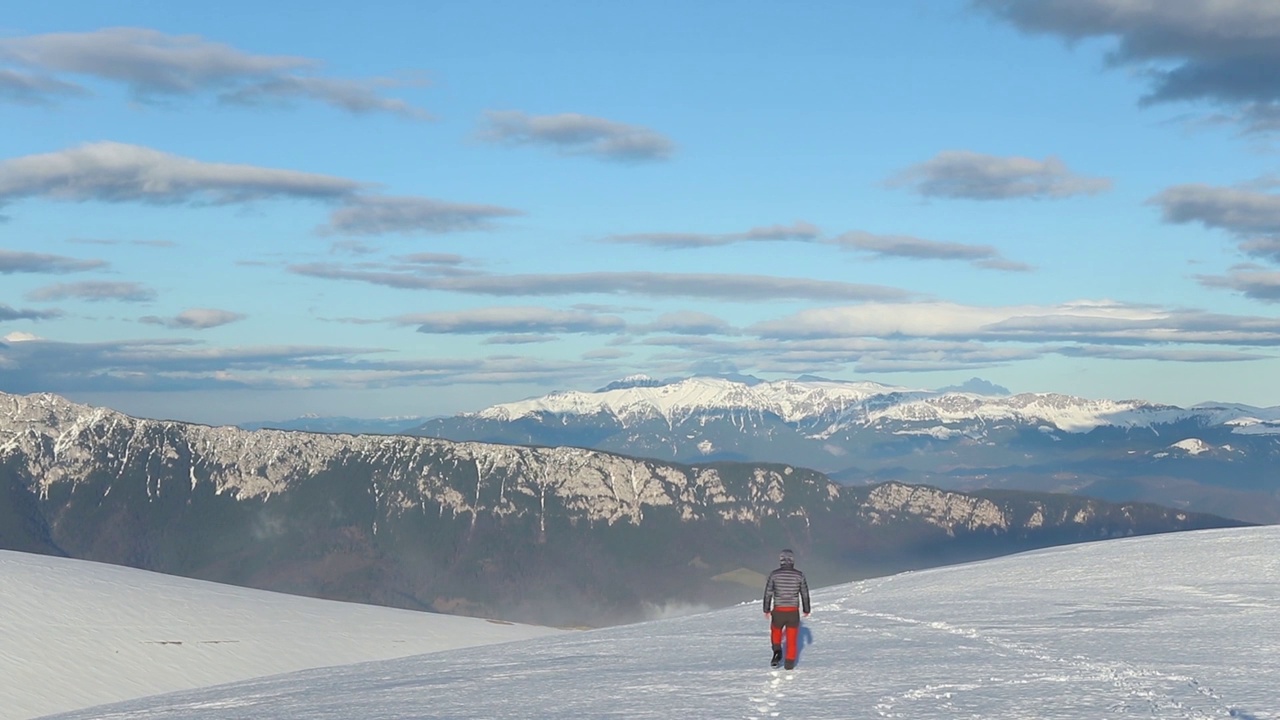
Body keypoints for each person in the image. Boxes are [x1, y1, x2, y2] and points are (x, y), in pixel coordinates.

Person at [762, 548, 810, 669]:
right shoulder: (799, 575)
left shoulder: (774, 575)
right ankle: (789, 664)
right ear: (793, 561)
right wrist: (806, 609)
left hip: (778, 611)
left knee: (776, 630)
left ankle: (777, 650)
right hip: (793, 612)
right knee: (792, 638)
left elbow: (768, 593)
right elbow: (804, 593)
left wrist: (766, 609)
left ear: (781, 561)